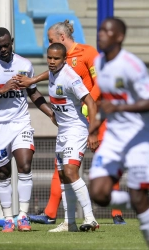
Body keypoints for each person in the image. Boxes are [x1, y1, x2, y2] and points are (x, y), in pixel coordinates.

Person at [15, 19, 125, 225]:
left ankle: (115, 213)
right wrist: (31, 81)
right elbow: (50, 73)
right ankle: (54, 215)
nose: (49, 47)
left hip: (94, 118)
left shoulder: (87, 53)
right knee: (64, 170)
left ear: (61, 38)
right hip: (71, 121)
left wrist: (88, 104)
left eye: (50, 40)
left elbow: (101, 80)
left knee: (104, 163)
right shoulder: (57, 63)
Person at [0, 27, 55, 232]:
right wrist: (0, 90)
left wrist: (51, 114)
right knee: (3, 173)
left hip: (21, 123)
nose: (3, 49)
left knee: (25, 166)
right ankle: (9, 217)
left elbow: (33, 92)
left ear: (12, 41)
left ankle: (23, 216)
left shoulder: (24, 65)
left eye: (6, 45)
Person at [89, 17, 149, 246]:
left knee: (138, 193)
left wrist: (119, 108)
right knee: (99, 193)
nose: (101, 34)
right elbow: (107, 101)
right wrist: (96, 123)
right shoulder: (100, 63)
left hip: (138, 137)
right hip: (114, 136)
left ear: (120, 37)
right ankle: (137, 201)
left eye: (107, 31)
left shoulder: (132, 65)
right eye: (100, 30)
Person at [42, 42, 99, 232]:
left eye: (56, 58)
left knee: (71, 171)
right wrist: (32, 80)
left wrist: (93, 132)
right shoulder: (53, 72)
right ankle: (69, 222)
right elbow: (47, 74)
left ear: (64, 59)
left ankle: (90, 218)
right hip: (63, 132)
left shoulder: (70, 77)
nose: (51, 61)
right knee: (63, 176)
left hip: (77, 130)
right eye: (49, 57)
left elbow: (91, 103)